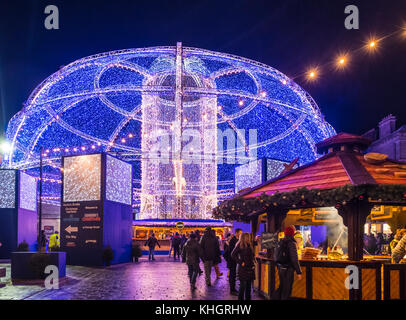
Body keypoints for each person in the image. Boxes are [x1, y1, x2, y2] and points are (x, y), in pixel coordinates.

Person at [272, 226, 302, 300]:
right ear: (292, 233)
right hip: (288, 269)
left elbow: (275, 255)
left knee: (282, 286)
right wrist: (299, 272)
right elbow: (294, 259)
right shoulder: (291, 243)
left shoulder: (280, 241)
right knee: (287, 289)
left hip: (280, 268)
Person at [231, 232, 256, 300]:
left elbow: (251, 255)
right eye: (248, 237)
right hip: (243, 269)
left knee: (248, 287)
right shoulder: (240, 245)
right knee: (242, 286)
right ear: (245, 237)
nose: (250, 238)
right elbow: (233, 254)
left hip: (250, 268)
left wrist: (253, 260)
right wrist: (240, 262)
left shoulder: (249, 245)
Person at [227, 228, 242, 294]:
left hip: (233, 260)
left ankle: (233, 289)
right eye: (240, 233)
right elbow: (232, 252)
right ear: (236, 233)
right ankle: (232, 290)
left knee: (233, 275)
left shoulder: (236, 240)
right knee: (232, 275)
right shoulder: (233, 240)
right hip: (232, 260)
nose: (241, 234)